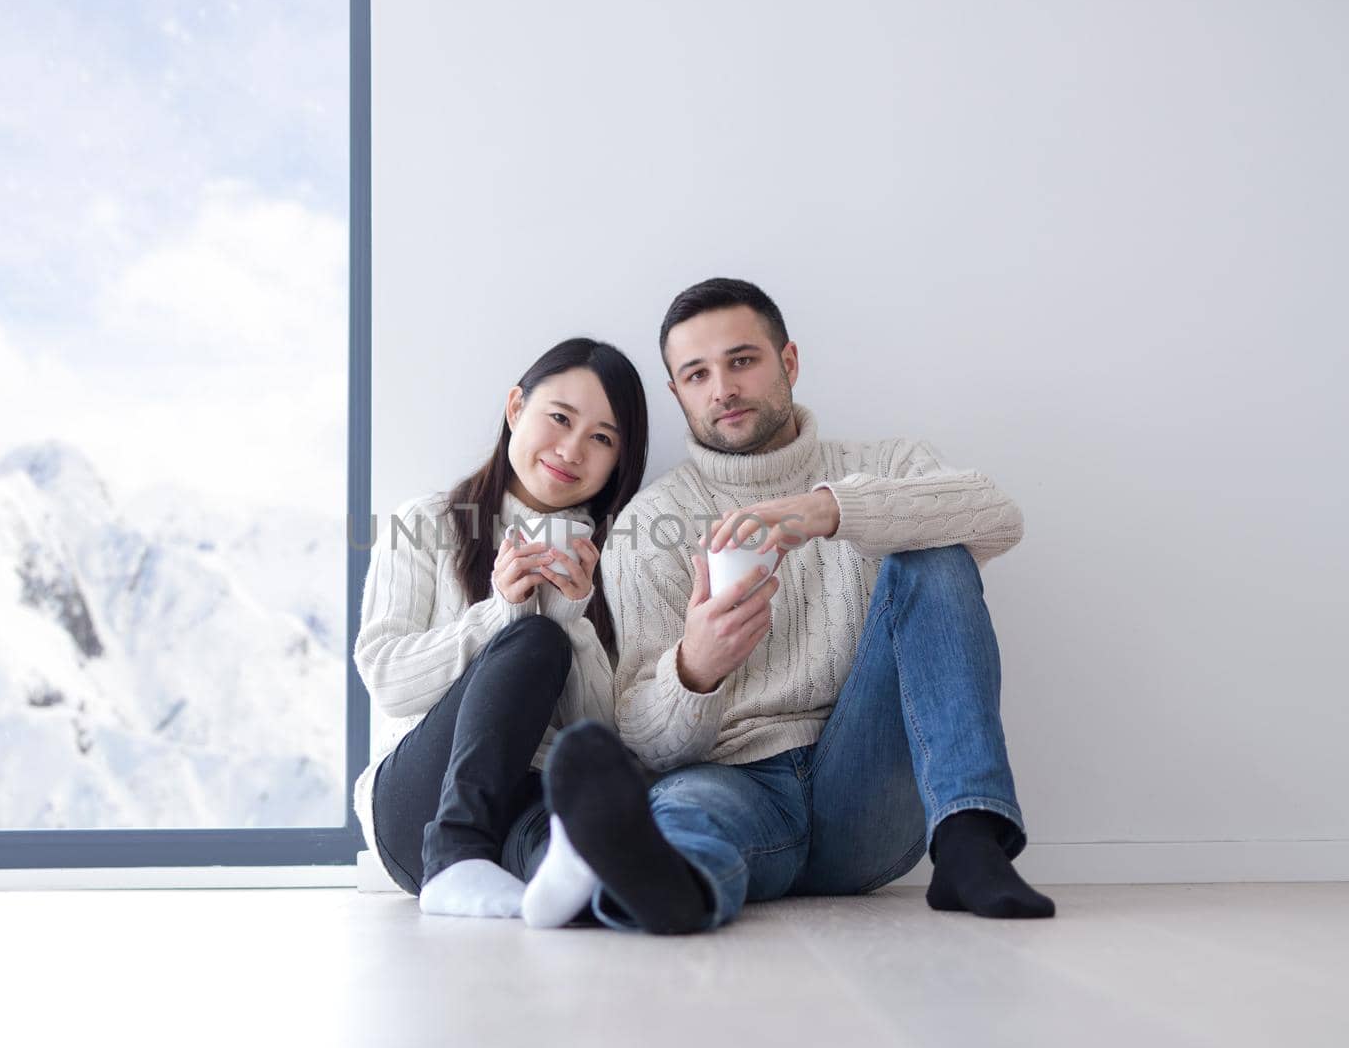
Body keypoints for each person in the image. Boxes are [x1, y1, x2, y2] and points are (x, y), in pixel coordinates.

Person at [527, 278, 1054, 933]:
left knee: (936, 549)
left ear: (789, 361)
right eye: (697, 373)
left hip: (867, 782)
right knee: (685, 808)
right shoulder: (649, 522)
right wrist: (696, 667)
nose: (722, 388)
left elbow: (997, 515)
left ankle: (972, 839)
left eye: (742, 360)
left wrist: (827, 509)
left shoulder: (886, 462)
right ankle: (672, 884)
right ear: (677, 393)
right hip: (736, 783)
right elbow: (646, 739)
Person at [352, 337, 648, 918]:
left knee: (577, 867)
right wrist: (499, 615)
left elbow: (606, 738)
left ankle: (609, 886)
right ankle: (455, 857)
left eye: (602, 438)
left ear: (619, 459)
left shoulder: (621, 556)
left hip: (527, 803)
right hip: (418, 808)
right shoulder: (425, 524)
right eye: (559, 418)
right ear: (516, 409)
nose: (572, 449)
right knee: (533, 640)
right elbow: (387, 681)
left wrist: (574, 614)